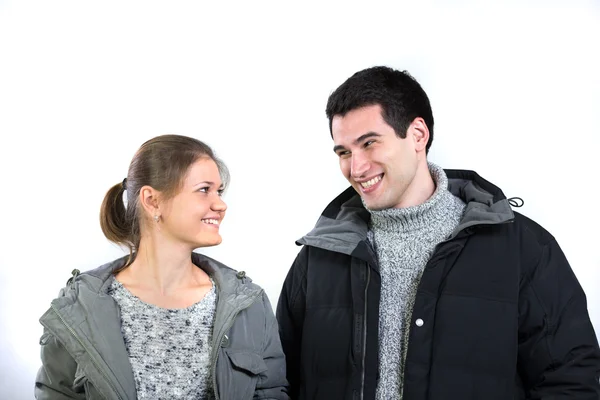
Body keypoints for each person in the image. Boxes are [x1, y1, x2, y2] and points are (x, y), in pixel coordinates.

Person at [276, 66, 600, 399]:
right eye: (344, 152)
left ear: (418, 135)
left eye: (369, 144)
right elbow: (278, 381)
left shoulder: (521, 248)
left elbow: (570, 379)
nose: (355, 168)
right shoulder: (320, 257)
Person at [35, 134, 289, 400]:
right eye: (204, 189)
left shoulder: (249, 306)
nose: (220, 204)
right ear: (152, 200)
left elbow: (271, 392)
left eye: (219, 191)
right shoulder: (79, 307)